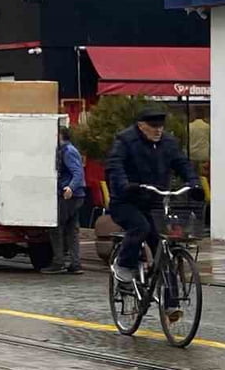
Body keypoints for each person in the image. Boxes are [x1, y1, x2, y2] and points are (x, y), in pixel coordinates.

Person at [106, 106, 201, 283]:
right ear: (141, 126)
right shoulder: (125, 141)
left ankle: (171, 304)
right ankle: (124, 264)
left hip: (154, 201)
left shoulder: (168, 142)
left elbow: (182, 163)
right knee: (140, 227)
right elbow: (115, 165)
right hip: (126, 201)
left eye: (161, 126)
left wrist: (194, 182)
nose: (158, 130)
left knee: (163, 247)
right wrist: (124, 185)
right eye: (154, 126)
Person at [54, 126, 87, 274]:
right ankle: (75, 263)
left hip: (70, 196)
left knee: (57, 227)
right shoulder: (70, 150)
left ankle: (59, 261)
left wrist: (70, 188)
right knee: (72, 230)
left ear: (60, 136)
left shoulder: (68, 151)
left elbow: (77, 172)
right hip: (77, 196)